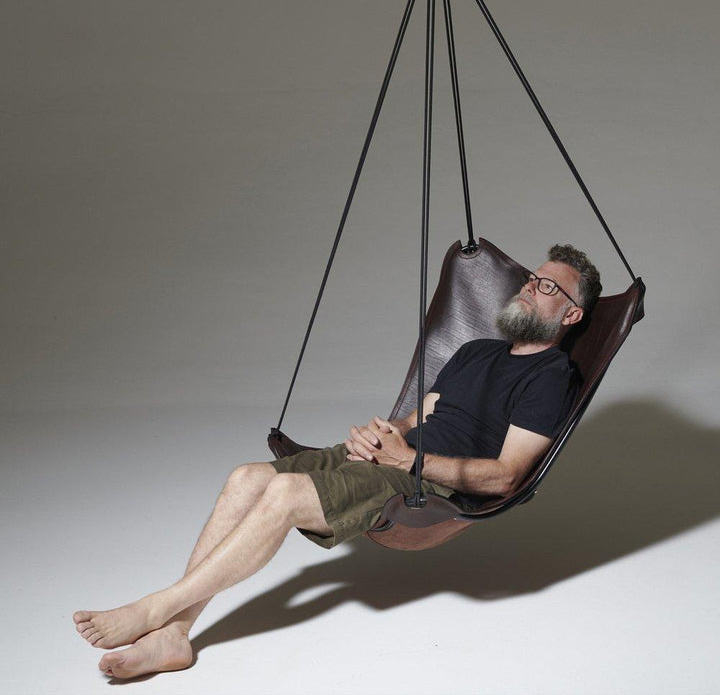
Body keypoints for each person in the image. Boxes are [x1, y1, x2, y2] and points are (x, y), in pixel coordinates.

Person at [73, 243, 601, 679]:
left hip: (424, 486)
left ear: (571, 314)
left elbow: (507, 476)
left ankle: (157, 608)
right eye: (531, 279)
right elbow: (420, 415)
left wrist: (408, 461)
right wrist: (384, 434)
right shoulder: (475, 351)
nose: (530, 287)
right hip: (390, 459)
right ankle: (174, 637)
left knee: (283, 495)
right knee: (244, 478)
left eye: (547, 287)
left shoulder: (550, 376)